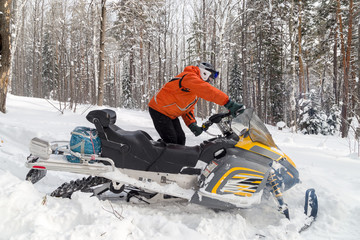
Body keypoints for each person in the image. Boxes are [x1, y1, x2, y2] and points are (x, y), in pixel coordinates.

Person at [148, 62, 243, 145]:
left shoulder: (194, 86)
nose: (210, 80)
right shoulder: (189, 76)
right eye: (211, 77)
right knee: (171, 141)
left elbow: (187, 108)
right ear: (205, 72)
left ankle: (172, 161)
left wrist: (192, 124)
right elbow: (209, 91)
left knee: (180, 140)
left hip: (169, 114)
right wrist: (228, 103)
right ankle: (161, 162)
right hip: (159, 110)